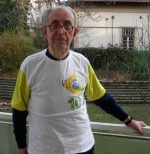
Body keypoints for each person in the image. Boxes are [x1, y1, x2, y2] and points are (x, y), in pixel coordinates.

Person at [11, 5, 146, 154]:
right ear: (45, 31)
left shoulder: (82, 62)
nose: (61, 31)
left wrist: (128, 121)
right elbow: (19, 110)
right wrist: (22, 147)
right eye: (54, 25)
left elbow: (102, 98)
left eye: (67, 25)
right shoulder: (30, 65)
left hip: (83, 147)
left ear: (74, 32)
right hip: (43, 149)